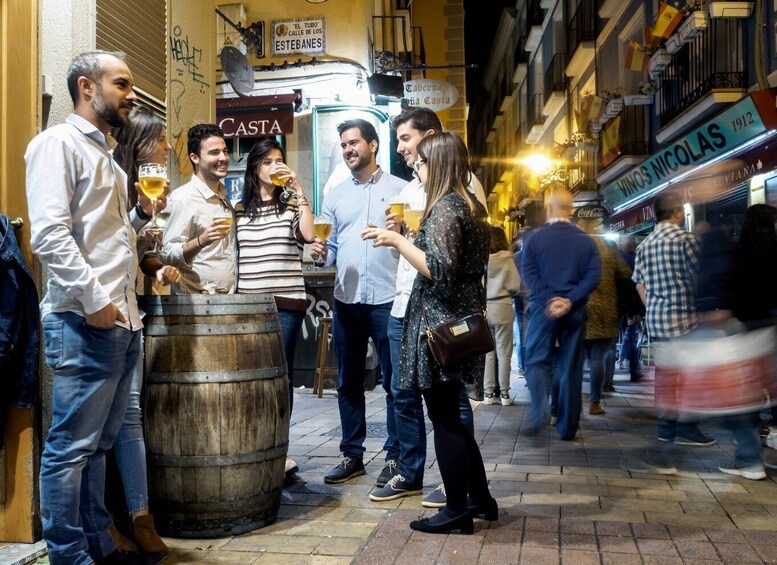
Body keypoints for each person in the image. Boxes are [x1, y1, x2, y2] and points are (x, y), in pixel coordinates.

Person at [26, 50, 160, 565]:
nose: (132, 95)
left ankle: (98, 543)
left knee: (97, 447)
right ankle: (68, 555)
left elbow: (103, 238)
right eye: (122, 84)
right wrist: (97, 300)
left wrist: (139, 218)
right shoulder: (55, 145)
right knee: (68, 451)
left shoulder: (105, 153)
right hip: (85, 320)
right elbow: (50, 237)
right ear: (87, 87)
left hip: (121, 320)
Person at [362, 131, 497, 535]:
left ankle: (456, 507)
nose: (416, 169)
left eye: (420, 163)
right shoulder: (470, 205)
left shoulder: (446, 206)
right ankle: (481, 500)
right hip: (458, 322)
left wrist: (397, 239)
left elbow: (438, 270)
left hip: (438, 326)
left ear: (436, 164)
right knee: (451, 415)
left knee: (445, 421)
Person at [310, 119, 405, 485]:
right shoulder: (334, 195)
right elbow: (328, 250)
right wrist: (320, 254)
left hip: (387, 298)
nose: (348, 150)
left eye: (354, 143)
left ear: (373, 145)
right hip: (347, 299)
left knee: (395, 383)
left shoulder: (402, 190)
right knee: (349, 382)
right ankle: (353, 455)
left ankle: (395, 457)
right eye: (344, 145)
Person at [110, 106, 180, 556]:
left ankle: (139, 514)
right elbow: (112, 239)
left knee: (131, 416)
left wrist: (159, 268)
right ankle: (108, 519)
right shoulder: (114, 178)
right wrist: (141, 213)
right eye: (161, 140)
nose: (169, 147)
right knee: (102, 427)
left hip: (130, 311)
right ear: (140, 146)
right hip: (103, 313)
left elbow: (137, 252)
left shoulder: (146, 194)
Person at [235, 138, 314, 479]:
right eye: (267, 161)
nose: (275, 167)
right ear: (255, 168)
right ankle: (258, 448)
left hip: (286, 305)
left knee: (279, 380)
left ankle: (279, 452)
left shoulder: (292, 205)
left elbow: (309, 235)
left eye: (279, 161)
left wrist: (297, 187)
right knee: (251, 382)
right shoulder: (237, 209)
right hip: (248, 306)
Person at [632, 191, 714, 452]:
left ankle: (666, 430)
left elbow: (639, 285)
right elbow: (699, 276)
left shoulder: (644, 245)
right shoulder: (686, 239)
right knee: (691, 377)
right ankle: (687, 427)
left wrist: (655, 307)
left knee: (665, 377)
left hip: (657, 320)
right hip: (686, 318)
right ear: (678, 212)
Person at [521, 190, 600, 440]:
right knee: (571, 367)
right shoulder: (586, 240)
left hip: (543, 309)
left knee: (535, 360)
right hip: (575, 311)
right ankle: (567, 427)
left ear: (549, 210)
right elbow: (593, 276)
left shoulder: (534, 239)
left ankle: (539, 412)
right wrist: (570, 300)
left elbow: (529, 273)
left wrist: (549, 299)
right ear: (570, 210)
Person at [159, 124, 235, 294]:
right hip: (196, 307)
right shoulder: (183, 199)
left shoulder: (224, 197)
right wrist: (200, 241)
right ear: (195, 158)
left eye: (225, 151)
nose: (223, 158)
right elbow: (166, 253)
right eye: (214, 153)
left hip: (229, 303)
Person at [577, 221, 632, 415]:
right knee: (597, 359)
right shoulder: (608, 249)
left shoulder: (577, 249)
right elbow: (626, 273)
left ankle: (573, 401)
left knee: (577, 358)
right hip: (606, 310)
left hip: (581, 308)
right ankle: (594, 401)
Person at [483, 226, 521, 406]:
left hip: (486, 308)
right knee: (504, 353)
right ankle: (505, 394)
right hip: (504, 306)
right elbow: (515, 285)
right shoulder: (507, 259)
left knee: (488, 353)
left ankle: (488, 393)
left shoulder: (482, 259)